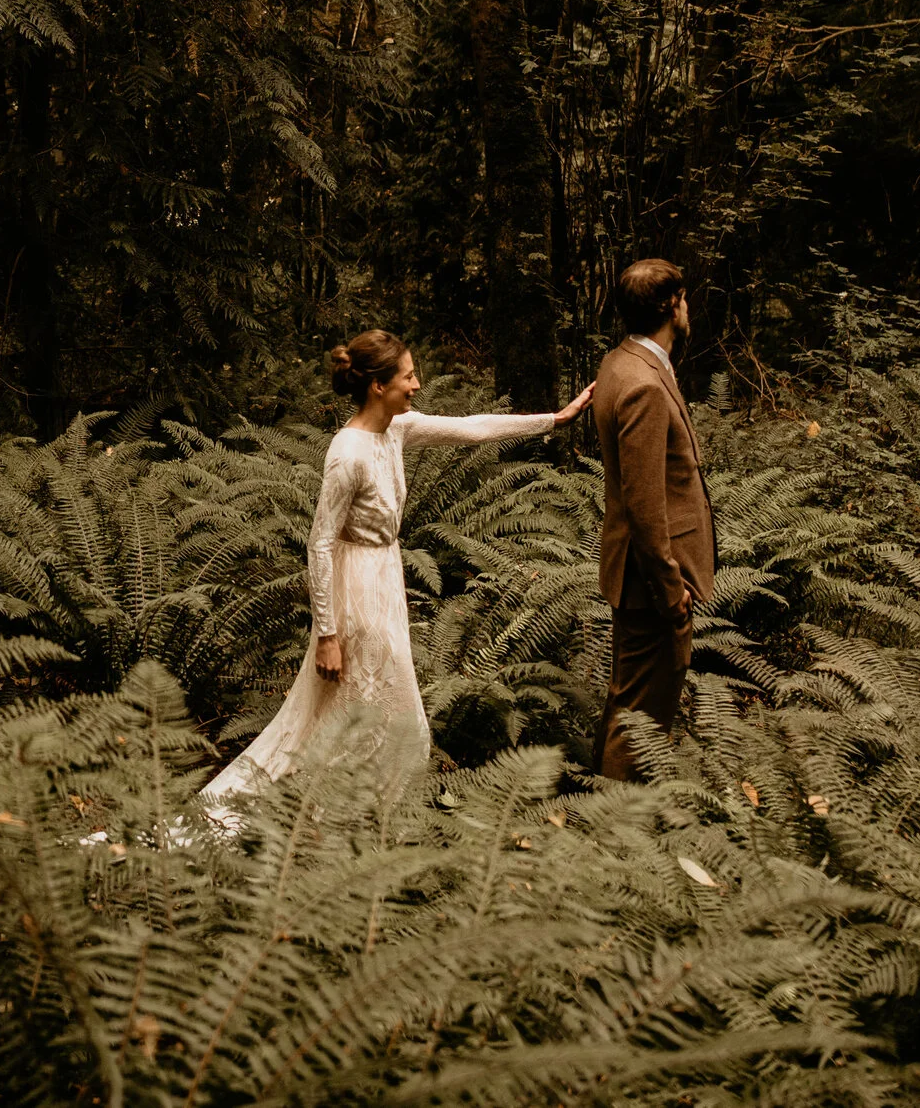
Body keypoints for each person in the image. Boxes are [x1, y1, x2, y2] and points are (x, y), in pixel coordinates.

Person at [199, 331, 593, 808]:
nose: (417, 385)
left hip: (385, 576)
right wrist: (327, 635)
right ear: (378, 386)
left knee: (361, 713)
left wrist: (555, 419)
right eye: (408, 376)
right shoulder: (348, 453)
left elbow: (473, 427)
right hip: (356, 591)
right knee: (391, 716)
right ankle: (335, 811)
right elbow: (319, 543)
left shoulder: (397, 428)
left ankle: (339, 811)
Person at [590, 258, 715, 780]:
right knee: (641, 717)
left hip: (642, 575)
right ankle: (618, 822)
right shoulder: (642, 383)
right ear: (671, 306)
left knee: (629, 700)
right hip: (653, 582)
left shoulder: (622, 362)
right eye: (683, 299)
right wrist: (671, 590)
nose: (688, 308)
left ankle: (602, 809)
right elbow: (643, 505)